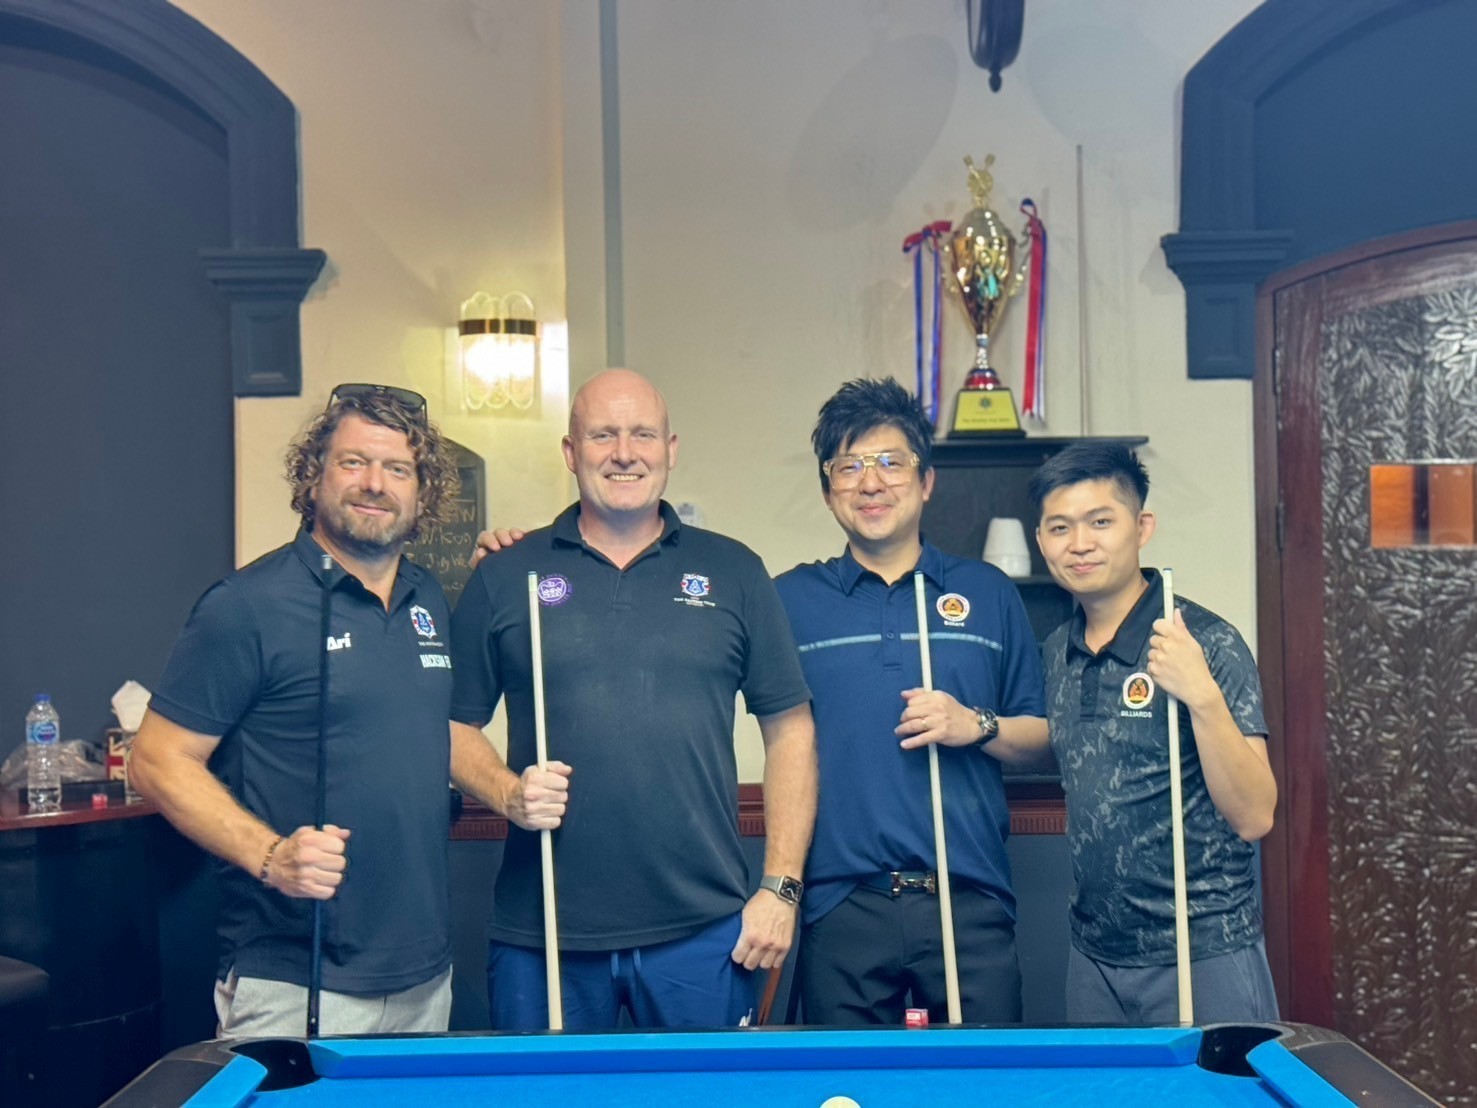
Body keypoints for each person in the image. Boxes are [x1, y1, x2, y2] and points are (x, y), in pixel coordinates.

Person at [130, 384, 538, 1036]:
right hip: (294, 981)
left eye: (397, 469)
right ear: (314, 475)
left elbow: (436, 730)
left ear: (423, 493)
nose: (375, 483)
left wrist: (508, 793)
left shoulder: (429, 598)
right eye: (354, 462)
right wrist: (270, 855)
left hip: (424, 976)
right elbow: (156, 760)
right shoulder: (247, 605)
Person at [449, 368, 817, 1031]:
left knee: (704, 1092)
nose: (624, 453)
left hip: (704, 930)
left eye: (642, 434)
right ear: (571, 452)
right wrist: (507, 793)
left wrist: (780, 889)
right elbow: (449, 725)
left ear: (670, 450)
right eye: (603, 435)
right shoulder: (507, 573)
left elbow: (790, 730)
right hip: (543, 931)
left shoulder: (735, 571)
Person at [772, 377, 1049, 1025]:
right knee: (846, 1081)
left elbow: (1039, 735)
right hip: (841, 903)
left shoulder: (987, 592)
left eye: (890, 463)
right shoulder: (789, 601)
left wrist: (974, 724)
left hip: (968, 899)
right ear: (827, 490)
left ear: (925, 481)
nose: (870, 483)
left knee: (983, 1080)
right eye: (848, 467)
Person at [1027, 441, 1279, 1024]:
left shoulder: (1205, 642)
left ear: (1142, 528)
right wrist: (974, 725)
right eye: (1060, 527)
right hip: (1093, 955)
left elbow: (1255, 815)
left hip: (1202, 949)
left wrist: (1201, 694)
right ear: (1041, 540)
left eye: (1101, 522)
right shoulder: (1057, 651)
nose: (1080, 543)